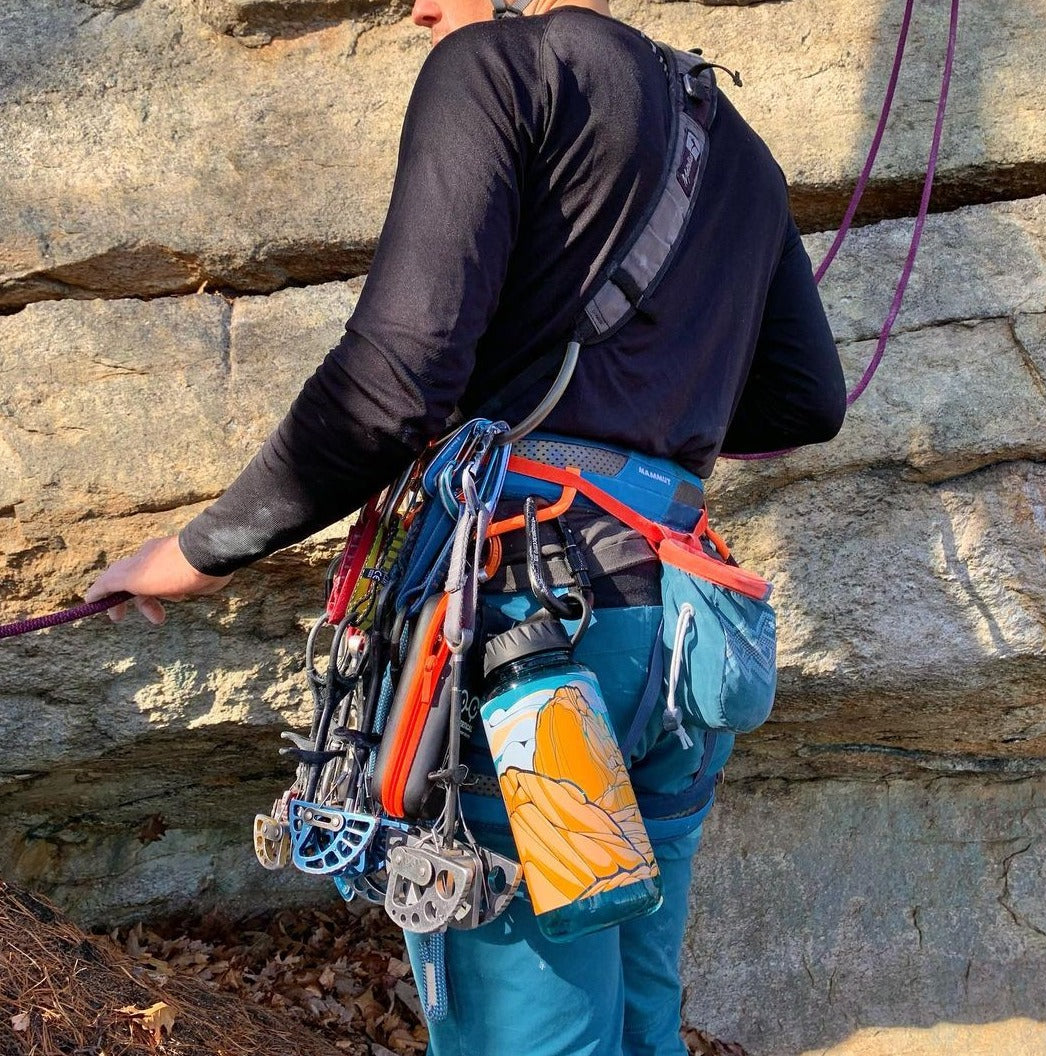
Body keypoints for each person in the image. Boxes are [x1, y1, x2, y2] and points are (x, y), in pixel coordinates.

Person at [87, 0, 846, 1051]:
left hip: (533, 638)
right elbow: (808, 401)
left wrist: (201, 551)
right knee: (640, 1020)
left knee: (536, 1034)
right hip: (681, 638)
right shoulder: (740, 151)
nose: (418, 9)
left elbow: (392, 385)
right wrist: (647, 412)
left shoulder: (503, 69)